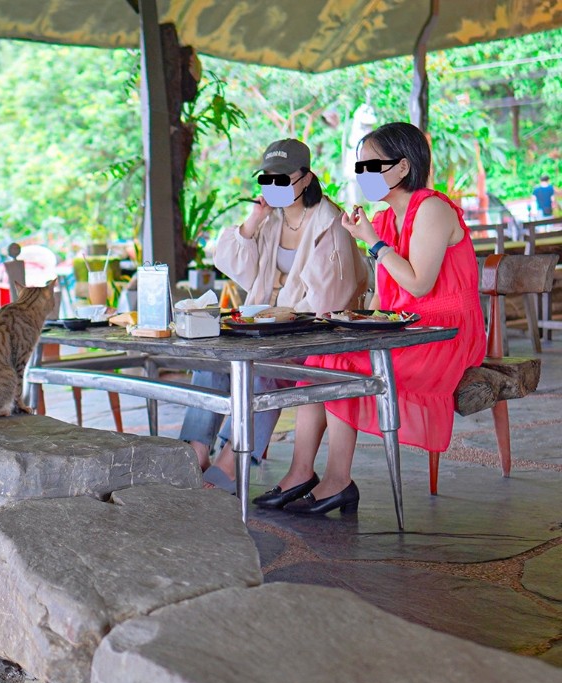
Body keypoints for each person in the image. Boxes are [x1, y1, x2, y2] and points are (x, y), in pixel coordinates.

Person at [255, 121, 485, 515]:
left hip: (442, 332)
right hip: (403, 328)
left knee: (343, 365)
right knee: (321, 362)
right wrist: (357, 319)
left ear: (403, 167)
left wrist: (373, 243)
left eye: (371, 166)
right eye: (359, 167)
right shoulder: (383, 219)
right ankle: (300, 473)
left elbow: (417, 283)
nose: (363, 176)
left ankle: (338, 480)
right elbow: (383, 297)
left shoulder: (431, 208)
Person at [178, 138, 369, 491]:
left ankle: (232, 462)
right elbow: (234, 265)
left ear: (306, 178)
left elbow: (330, 298)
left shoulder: (329, 223)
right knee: (212, 357)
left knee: (260, 371)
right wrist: (253, 220)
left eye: (283, 179)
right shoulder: (270, 222)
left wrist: (280, 318)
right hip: (264, 326)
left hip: (313, 333)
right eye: (267, 179)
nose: (274, 186)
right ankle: (196, 450)